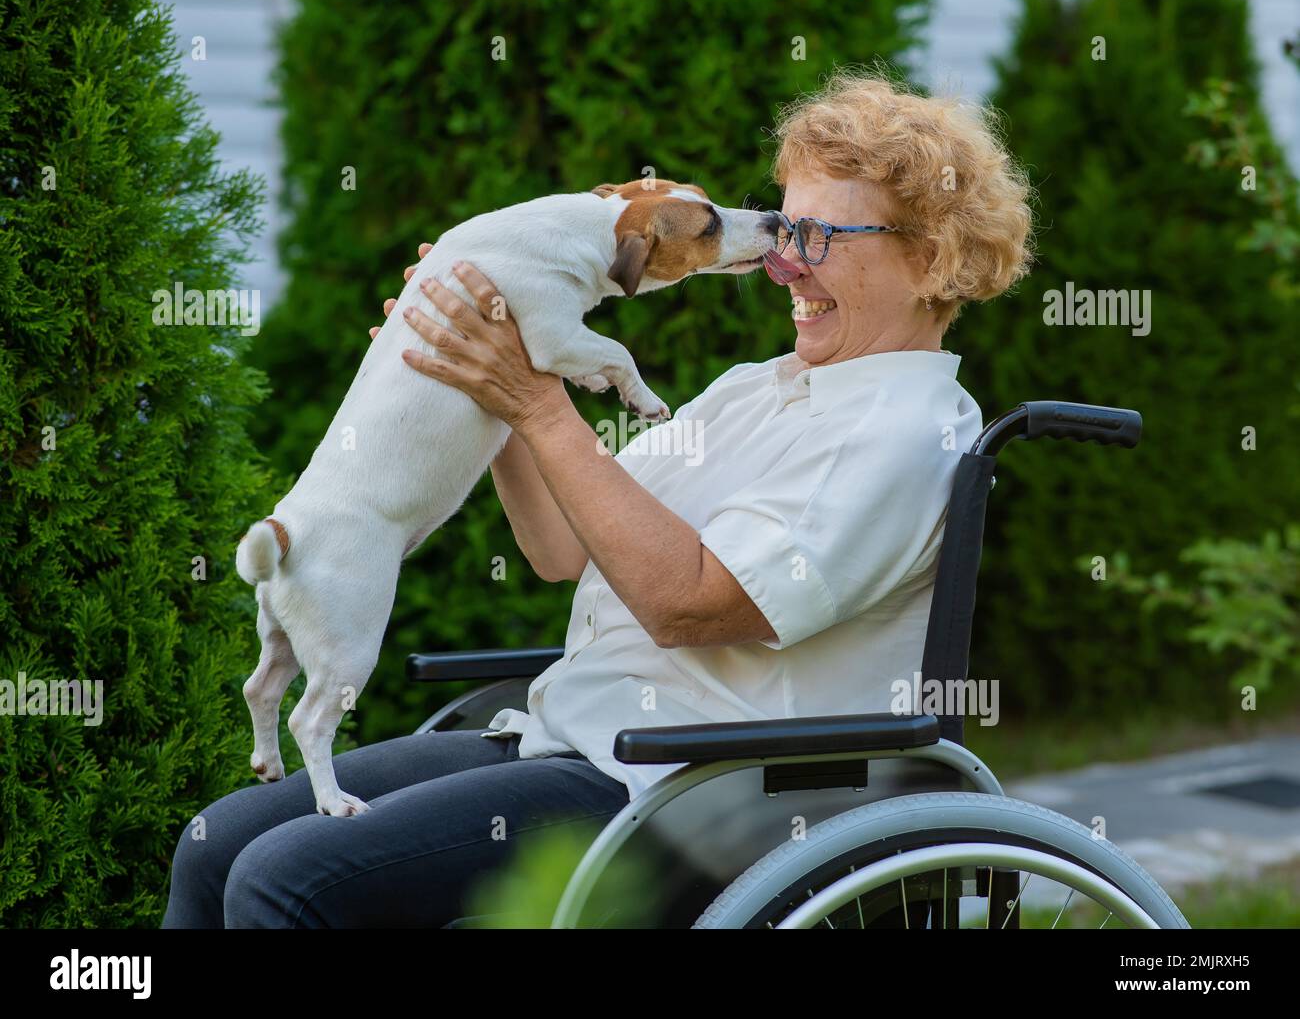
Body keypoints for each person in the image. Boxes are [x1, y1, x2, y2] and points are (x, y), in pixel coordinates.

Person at [162, 72, 1033, 928]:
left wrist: (532, 397)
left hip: (697, 792)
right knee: (217, 843)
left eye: (817, 235)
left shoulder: (900, 431)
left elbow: (686, 601)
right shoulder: (758, 389)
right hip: (575, 738)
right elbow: (564, 548)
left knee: (286, 882)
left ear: (929, 257)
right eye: (785, 228)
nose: (779, 263)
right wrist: (479, 371)